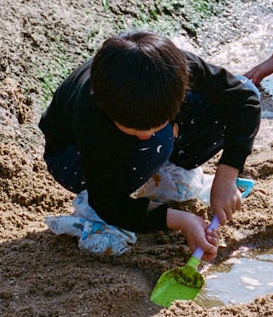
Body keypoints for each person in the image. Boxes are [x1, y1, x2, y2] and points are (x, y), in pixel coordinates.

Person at [39, 30, 261, 259]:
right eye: (134, 129)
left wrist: (227, 175)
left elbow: (245, 100)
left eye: (158, 123)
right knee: (156, 142)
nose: (144, 134)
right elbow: (107, 202)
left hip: (141, 131)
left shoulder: (173, 68)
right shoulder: (93, 111)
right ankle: (141, 173)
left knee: (238, 94)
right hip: (71, 157)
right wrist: (182, 220)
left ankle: (162, 171)